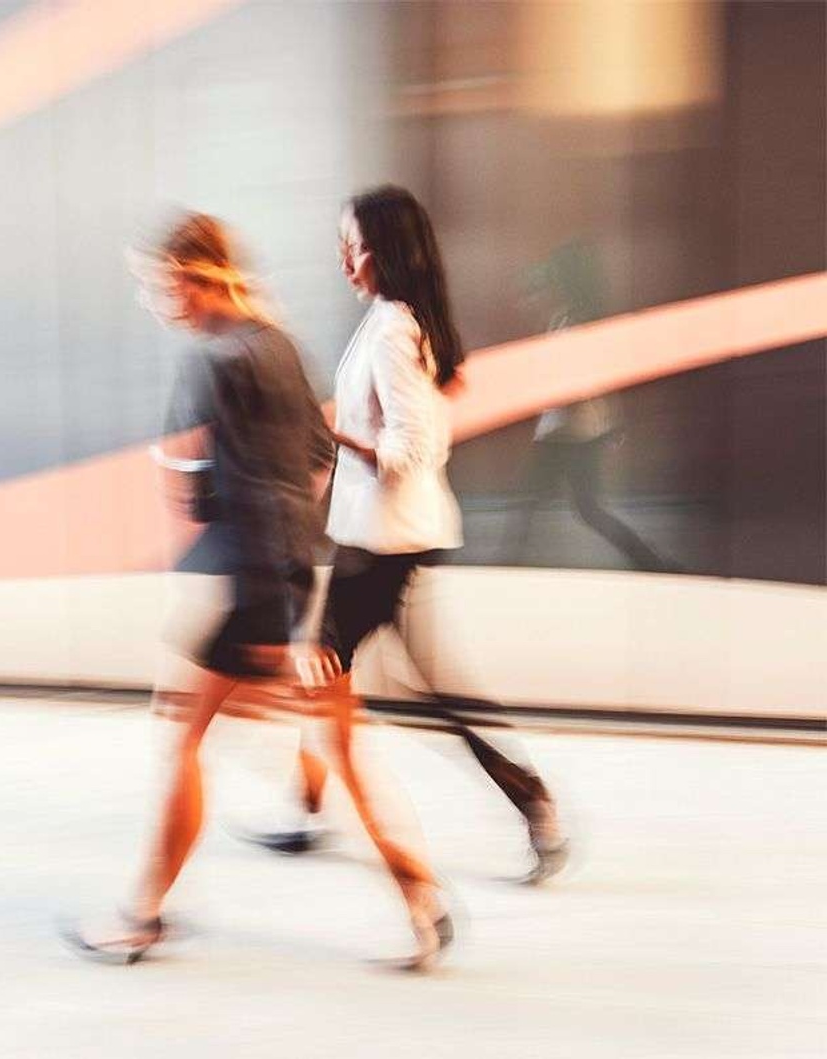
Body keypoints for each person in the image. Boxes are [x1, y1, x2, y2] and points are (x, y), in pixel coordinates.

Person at [64, 212, 450, 971]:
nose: (152, 299)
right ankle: (424, 900)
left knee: (184, 734)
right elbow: (316, 454)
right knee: (337, 746)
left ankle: (143, 916)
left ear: (191, 279)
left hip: (259, 585)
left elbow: (223, 490)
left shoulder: (215, 360)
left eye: (155, 284)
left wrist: (275, 610)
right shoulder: (275, 342)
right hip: (297, 569)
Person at [243, 187, 566, 891]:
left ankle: (522, 805)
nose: (343, 257)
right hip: (384, 537)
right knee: (361, 676)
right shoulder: (394, 322)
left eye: (353, 243)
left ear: (386, 248)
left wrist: (334, 437)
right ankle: (314, 809)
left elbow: (413, 447)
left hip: (385, 543)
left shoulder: (392, 327)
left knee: (330, 669)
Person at [502, 241, 675, 573]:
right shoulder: (565, 319)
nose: (549, 285)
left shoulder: (578, 323)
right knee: (580, 507)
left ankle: (509, 563)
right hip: (570, 429)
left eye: (555, 279)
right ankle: (649, 560)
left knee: (553, 504)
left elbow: (587, 379)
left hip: (570, 430)